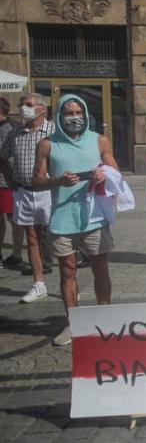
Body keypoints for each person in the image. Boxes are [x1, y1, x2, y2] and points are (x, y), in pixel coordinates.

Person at [33, 94, 119, 346]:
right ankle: (73, 323)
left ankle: (105, 317)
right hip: (62, 218)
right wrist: (57, 180)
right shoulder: (48, 144)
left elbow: (114, 171)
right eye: (68, 113)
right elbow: (36, 181)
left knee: (100, 267)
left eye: (78, 112)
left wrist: (104, 176)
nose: (74, 117)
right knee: (67, 271)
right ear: (59, 116)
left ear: (85, 114)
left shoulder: (99, 140)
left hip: (94, 217)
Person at [0, 93, 54, 303]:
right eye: (22, 104)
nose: (23, 108)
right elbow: (3, 158)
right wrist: (10, 180)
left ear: (41, 108)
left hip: (48, 192)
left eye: (29, 105)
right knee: (31, 239)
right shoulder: (15, 133)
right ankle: (39, 284)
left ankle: (69, 282)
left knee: (58, 238)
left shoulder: (53, 131)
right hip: (23, 191)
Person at [0, 97, 24, 269]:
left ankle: (16, 254)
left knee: (13, 218)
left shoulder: (11, 128)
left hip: (6, 181)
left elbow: (10, 157)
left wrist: (11, 179)